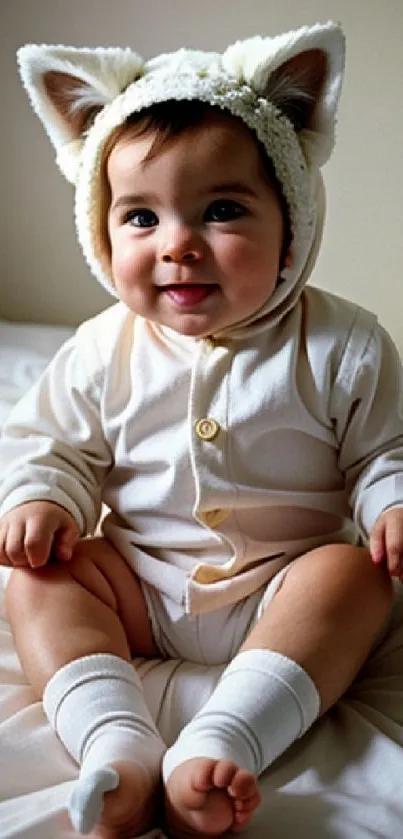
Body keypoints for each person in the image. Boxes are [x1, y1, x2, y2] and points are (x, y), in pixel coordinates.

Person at [0, 20, 401, 839]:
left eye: (220, 211)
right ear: (101, 230)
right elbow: (53, 443)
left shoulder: (344, 343)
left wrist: (392, 503)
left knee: (355, 578)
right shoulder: (98, 348)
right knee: (37, 582)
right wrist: (43, 495)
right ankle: (117, 741)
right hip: (138, 590)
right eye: (140, 218)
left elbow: (385, 452)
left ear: (291, 219)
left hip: (280, 592)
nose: (177, 245)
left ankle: (224, 740)